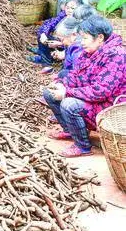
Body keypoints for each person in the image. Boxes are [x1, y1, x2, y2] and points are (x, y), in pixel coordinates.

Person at [43, 15, 125, 157]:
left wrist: (67, 93)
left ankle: (83, 146)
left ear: (99, 38)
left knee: (69, 104)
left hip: (110, 104)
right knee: (49, 93)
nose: (82, 42)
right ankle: (70, 130)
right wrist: (61, 84)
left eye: (85, 38)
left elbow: (101, 91)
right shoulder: (89, 52)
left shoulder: (116, 55)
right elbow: (75, 75)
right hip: (93, 97)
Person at [27, 0, 83, 65]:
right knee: (42, 34)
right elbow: (50, 24)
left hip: (69, 48)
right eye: (67, 8)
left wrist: (60, 44)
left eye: (73, 8)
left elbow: (79, 44)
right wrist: (43, 34)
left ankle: (46, 59)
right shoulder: (63, 15)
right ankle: (43, 53)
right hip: (61, 41)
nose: (69, 10)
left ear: (79, 9)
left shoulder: (81, 22)